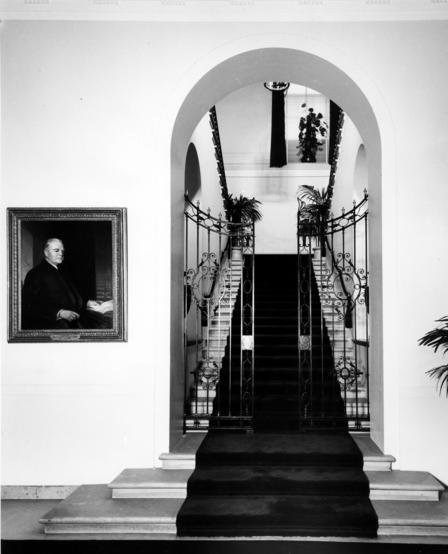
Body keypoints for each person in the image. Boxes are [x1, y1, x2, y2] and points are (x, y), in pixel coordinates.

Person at [21, 238, 107, 330]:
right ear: (46, 253)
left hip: (73, 322)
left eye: (62, 251)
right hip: (51, 326)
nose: (61, 253)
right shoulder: (35, 273)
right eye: (56, 250)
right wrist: (59, 313)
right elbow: (28, 304)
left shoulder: (62, 271)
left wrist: (87, 303)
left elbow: (71, 296)